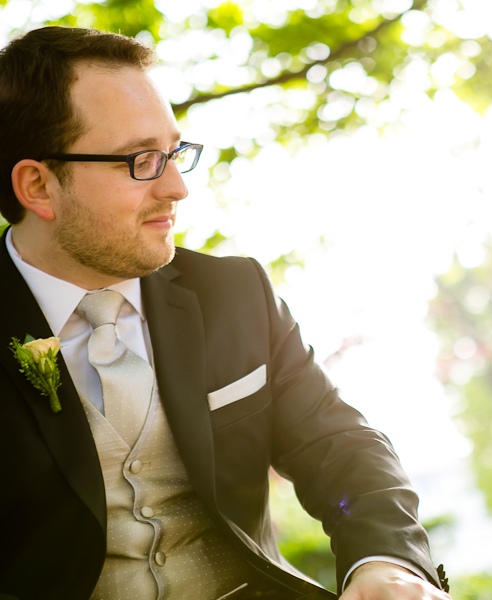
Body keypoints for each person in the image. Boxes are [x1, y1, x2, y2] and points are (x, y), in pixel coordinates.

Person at [0, 26, 451, 600]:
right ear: (38, 186)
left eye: (174, 152)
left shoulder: (235, 293)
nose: (177, 186)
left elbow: (339, 447)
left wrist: (385, 564)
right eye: (140, 160)